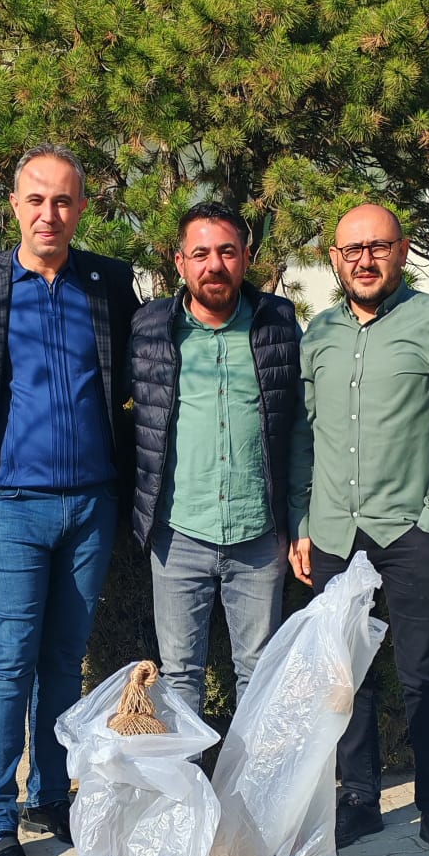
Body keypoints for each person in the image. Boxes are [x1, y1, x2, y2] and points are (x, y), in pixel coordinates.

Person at [0, 146, 139, 856]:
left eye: (64, 200)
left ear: (82, 208)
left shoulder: (108, 282)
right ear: (14, 205)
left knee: (63, 663)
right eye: (37, 199)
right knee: (8, 665)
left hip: (92, 505)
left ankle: (51, 796)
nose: (50, 213)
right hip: (11, 505)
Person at [289, 203, 429, 856]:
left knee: (423, 673)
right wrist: (302, 522)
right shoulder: (319, 333)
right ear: (335, 259)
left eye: (377, 247)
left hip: (410, 531)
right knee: (345, 675)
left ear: (402, 251)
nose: (364, 260)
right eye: (351, 250)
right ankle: (360, 800)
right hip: (332, 533)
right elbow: (303, 437)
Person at [129, 202, 310, 717]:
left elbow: (300, 425)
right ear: (180, 262)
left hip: (258, 534)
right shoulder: (150, 328)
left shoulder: (278, 323)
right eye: (201, 254)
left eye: (227, 252)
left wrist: (298, 520)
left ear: (246, 258)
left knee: (258, 673)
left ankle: (251, 775)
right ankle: (187, 773)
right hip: (178, 533)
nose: (215, 265)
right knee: (179, 676)